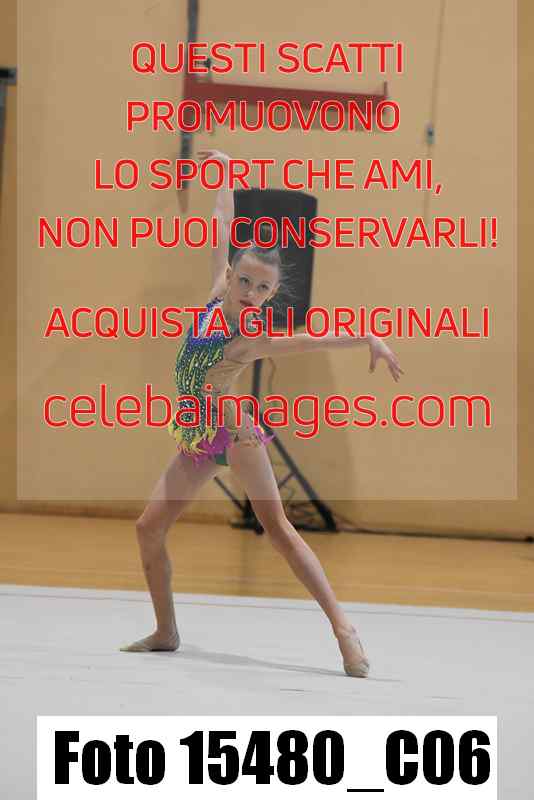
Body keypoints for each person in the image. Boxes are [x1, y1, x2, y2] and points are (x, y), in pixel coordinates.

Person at [120, 150, 403, 678]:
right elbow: (221, 221)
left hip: (234, 431)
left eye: (264, 289)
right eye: (246, 282)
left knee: (277, 529)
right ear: (230, 276)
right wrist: (226, 173)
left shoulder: (249, 337)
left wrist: (366, 335)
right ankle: (166, 630)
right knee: (148, 528)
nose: (252, 293)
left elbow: (310, 340)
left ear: (273, 294)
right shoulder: (215, 294)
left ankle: (344, 630)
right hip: (200, 433)